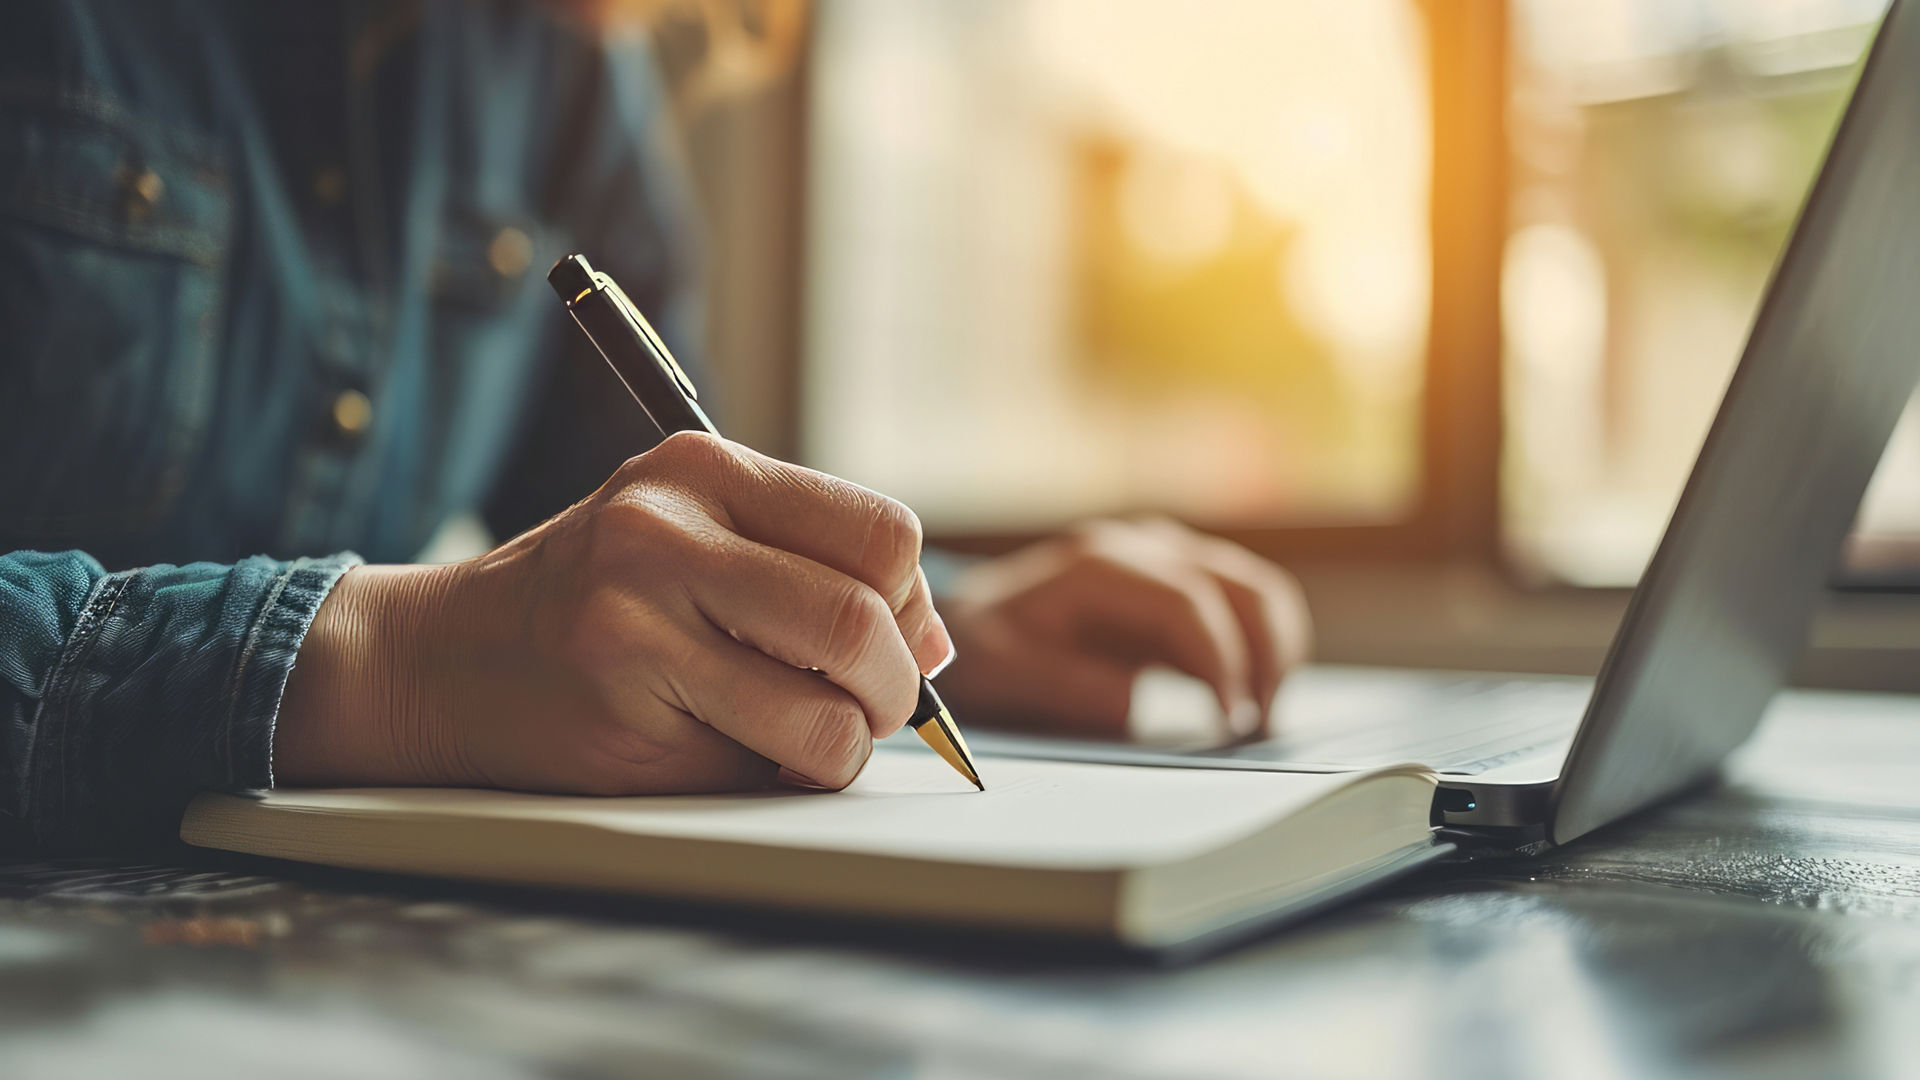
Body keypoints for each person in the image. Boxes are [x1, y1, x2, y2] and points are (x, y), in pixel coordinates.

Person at [0, 1, 1310, 854]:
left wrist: (922, 610)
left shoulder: (564, 66)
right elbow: (491, 625)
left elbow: (659, 527)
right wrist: (395, 660)